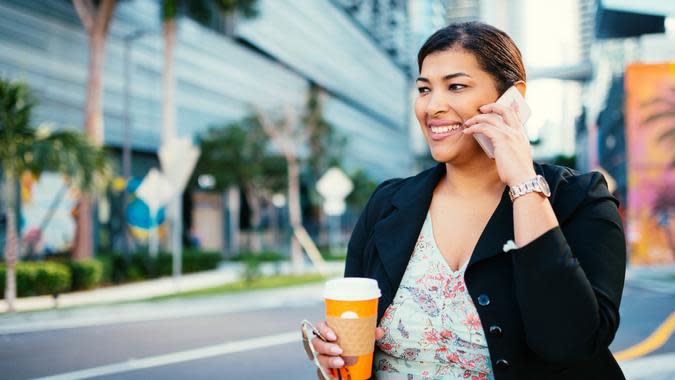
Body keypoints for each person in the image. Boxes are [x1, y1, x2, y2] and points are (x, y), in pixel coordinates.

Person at [307, 21, 626, 379]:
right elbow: (350, 360)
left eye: (456, 86)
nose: (433, 106)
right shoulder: (388, 204)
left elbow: (568, 343)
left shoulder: (580, 199)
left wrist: (523, 182)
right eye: (424, 89)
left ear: (513, 97)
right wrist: (332, 360)